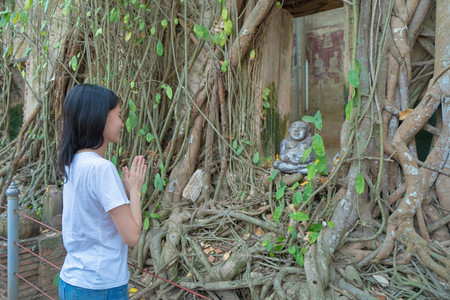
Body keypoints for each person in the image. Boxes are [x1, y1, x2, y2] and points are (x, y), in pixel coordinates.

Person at [57, 84, 147, 299]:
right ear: (100, 118)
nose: (122, 123)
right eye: (117, 115)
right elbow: (132, 236)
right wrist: (134, 191)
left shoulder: (73, 162)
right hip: (99, 287)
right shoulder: (101, 168)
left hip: (72, 282)